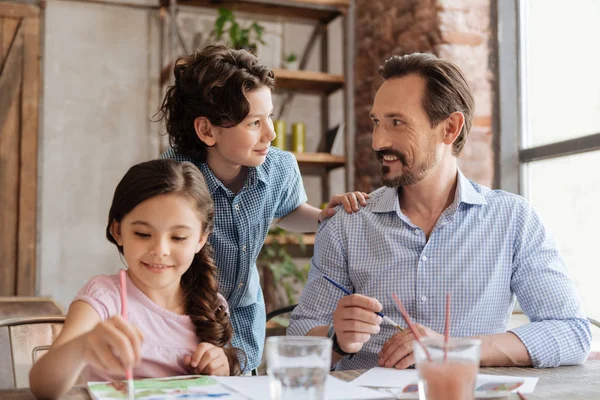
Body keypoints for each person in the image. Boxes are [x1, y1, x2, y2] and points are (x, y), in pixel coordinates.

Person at [288, 52, 591, 370]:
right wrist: (336, 341)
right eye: (377, 122)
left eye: (397, 122)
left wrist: (455, 348)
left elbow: (571, 332)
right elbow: (296, 341)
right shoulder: (346, 224)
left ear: (449, 128)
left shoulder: (514, 221)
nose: (378, 141)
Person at [158, 45, 367, 371]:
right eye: (254, 122)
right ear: (207, 130)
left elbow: (287, 212)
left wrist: (323, 216)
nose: (270, 133)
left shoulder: (279, 168)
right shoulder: (174, 179)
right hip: (184, 321)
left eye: (269, 117)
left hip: (244, 322)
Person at [30, 160, 242, 399]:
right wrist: (83, 345)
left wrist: (220, 364)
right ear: (118, 231)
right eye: (143, 234)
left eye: (179, 237)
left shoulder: (212, 304)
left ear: (201, 239)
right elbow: (42, 386)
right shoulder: (103, 297)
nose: (160, 250)